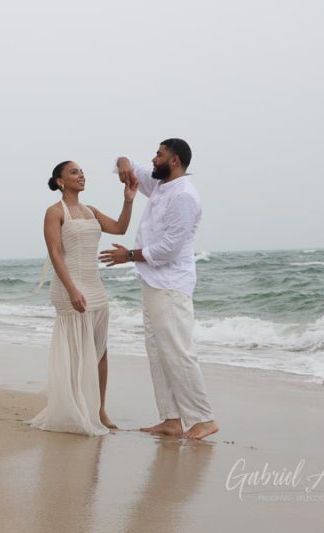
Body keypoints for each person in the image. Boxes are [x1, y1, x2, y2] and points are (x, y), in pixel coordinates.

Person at [99, 139, 219, 440]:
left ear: (174, 160)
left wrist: (128, 255)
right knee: (157, 351)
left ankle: (203, 419)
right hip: (152, 282)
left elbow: (168, 249)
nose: (153, 159)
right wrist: (123, 162)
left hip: (171, 284)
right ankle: (171, 418)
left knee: (178, 351)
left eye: (159, 155)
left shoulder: (184, 195)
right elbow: (128, 164)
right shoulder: (160, 184)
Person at [29, 160, 137, 436]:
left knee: (100, 349)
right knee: (76, 349)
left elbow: (120, 228)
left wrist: (128, 201)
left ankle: (99, 410)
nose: (81, 175)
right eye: (74, 172)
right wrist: (71, 290)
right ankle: (74, 406)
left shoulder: (92, 211)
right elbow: (55, 253)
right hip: (69, 285)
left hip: (94, 285)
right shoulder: (55, 212)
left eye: (82, 171)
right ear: (61, 181)